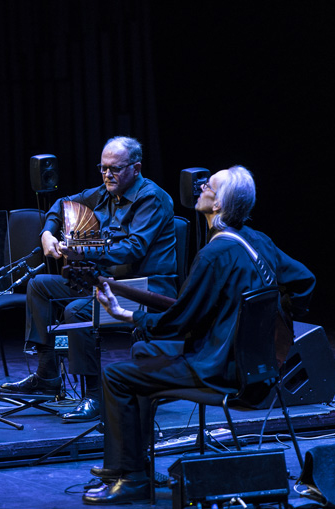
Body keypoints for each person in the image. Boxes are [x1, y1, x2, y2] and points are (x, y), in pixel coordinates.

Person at [81, 165, 316, 504]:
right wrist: (275, 322)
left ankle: (131, 479)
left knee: (117, 376)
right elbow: (304, 280)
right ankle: (128, 465)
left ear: (219, 204)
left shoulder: (215, 254)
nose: (202, 186)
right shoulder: (259, 240)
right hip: (259, 372)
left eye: (210, 185)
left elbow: (179, 321)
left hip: (220, 373)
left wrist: (125, 315)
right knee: (145, 357)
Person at [0, 136, 179, 423]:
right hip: (109, 282)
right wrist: (47, 232)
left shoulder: (151, 198)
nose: (108, 174)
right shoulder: (104, 193)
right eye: (103, 168)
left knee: (77, 310)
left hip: (145, 288)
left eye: (115, 169)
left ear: (136, 167)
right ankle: (47, 376)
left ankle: (94, 396)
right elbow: (62, 202)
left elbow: (134, 248)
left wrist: (81, 250)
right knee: (40, 286)